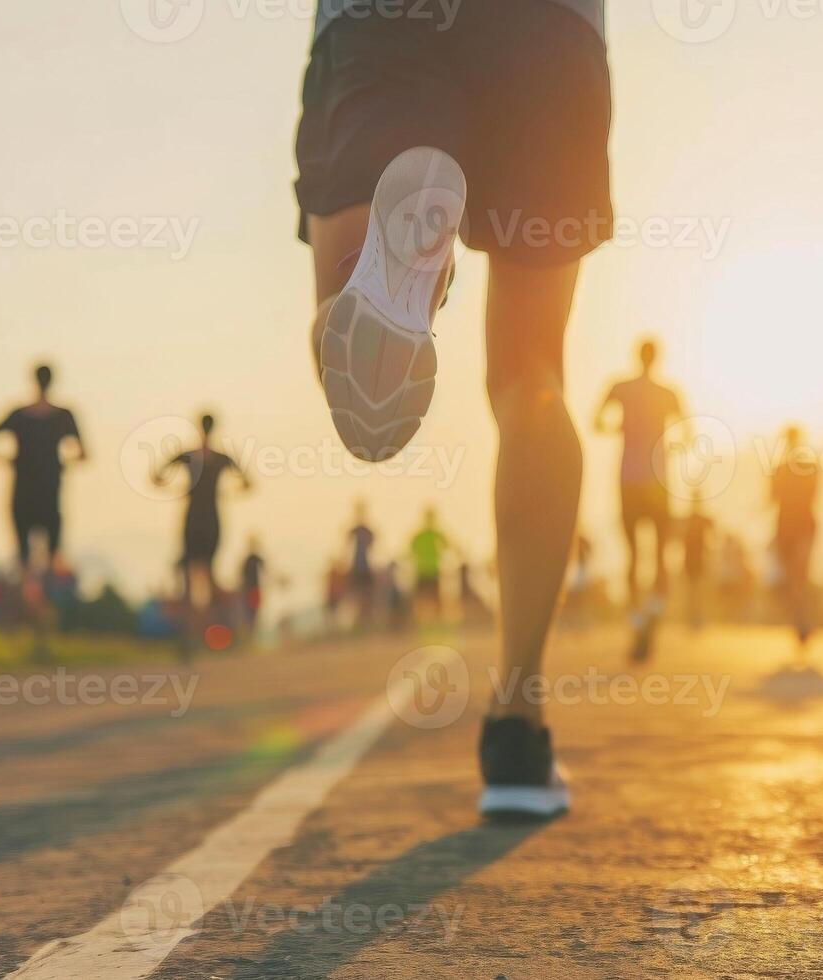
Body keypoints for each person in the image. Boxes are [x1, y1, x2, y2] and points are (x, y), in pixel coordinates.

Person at [298, 0, 609, 819]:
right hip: (549, 33)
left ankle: (396, 282)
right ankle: (517, 720)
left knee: (341, 303)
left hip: (378, 21)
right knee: (531, 377)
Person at [596, 341, 686, 612]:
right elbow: (688, 434)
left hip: (629, 478)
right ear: (657, 358)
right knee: (659, 551)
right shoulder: (668, 393)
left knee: (633, 552)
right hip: (657, 479)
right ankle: (656, 609)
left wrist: (617, 429)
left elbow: (596, 422)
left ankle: (636, 614)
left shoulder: (621, 388)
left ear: (637, 356)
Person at [154, 414, 251, 657]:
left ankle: (192, 637)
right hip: (211, 521)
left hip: (192, 521)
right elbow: (247, 483)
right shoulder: (220, 459)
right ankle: (217, 633)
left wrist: (176, 489)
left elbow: (156, 476)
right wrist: (226, 493)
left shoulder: (189, 456)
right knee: (209, 578)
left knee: (189, 581)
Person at [0, 363, 86, 573]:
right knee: (52, 554)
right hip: (49, 490)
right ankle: (45, 599)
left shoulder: (20, 415)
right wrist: (63, 464)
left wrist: (7, 460)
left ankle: (27, 599)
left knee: (23, 556)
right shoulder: (63, 416)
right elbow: (83, 454)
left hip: (23, 490)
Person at [772, 426, 820, 650]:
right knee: (792, 578)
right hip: (784, 527)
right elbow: (772, 497)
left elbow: (815, 493)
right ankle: (800, 622)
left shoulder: (808, 467)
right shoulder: (779, 469)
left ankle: (805, 620)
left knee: (800, 572)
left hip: (803, 526)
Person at [679, 492, 714, 630]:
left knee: (698, 591)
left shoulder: (701, 519)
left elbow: (713, 534)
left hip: (700, 560)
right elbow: (680, 539)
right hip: (689, 561)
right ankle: (692, 618)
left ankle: (697, 617)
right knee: (691, 591)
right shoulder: (688, 520)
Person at [409, 507, 451, 622]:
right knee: (425, 598)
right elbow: (448, 545)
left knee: (433, 597)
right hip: (425, 569)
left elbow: (410, 551)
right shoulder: (426, 534)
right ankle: (421, 620)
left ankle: (435, 619)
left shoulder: (427, 534)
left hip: (430, 569)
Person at [346, 501, 378, 628]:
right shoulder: (356, 530)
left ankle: (365, 620)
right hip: (357, 566)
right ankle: (360, 620)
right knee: (358, 594)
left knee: (365, 594)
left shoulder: (365, 530)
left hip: (363, 566)